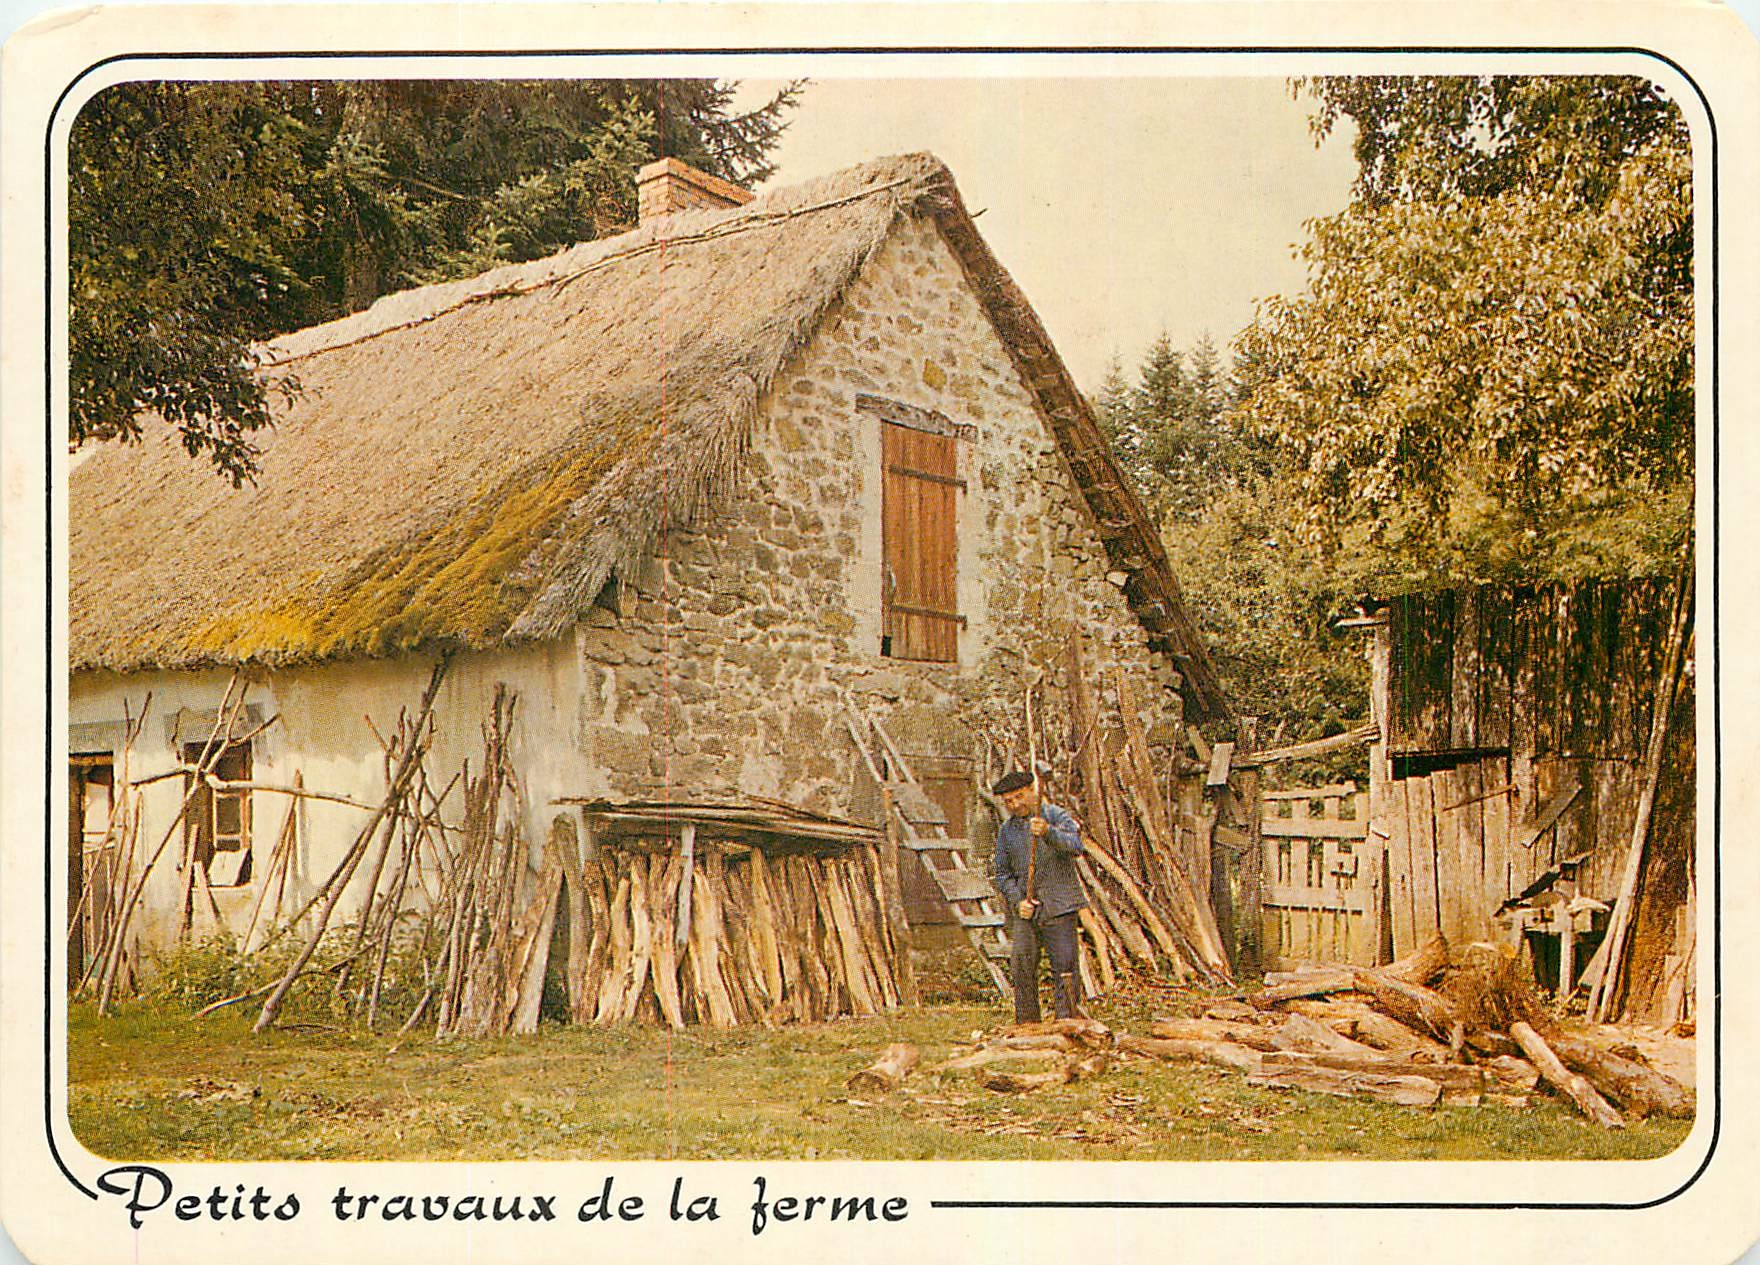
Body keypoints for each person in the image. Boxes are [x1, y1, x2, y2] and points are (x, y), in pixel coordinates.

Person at [990, 769, 1086, 1024]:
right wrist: (1017, 901)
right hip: (1027, 910)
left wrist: (1048, 832)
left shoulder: (1055, 816)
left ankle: (1068, 1023)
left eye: (1019, 797)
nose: (1015, 804)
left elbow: (1076, 847)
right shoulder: (1007, 831)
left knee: (1065, 968)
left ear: (1032, 791)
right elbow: (1003, 874)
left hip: (1059, 906)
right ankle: (1027, 1025)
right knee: (1021, 965)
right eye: (1008, 801)